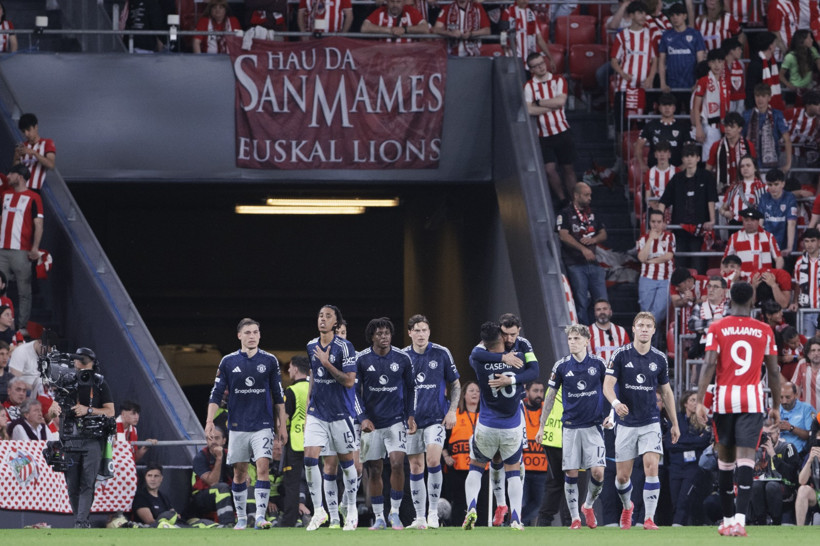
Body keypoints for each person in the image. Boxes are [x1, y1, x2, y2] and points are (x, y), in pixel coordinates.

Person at [695, 281, 782, 537]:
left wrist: (701, 400)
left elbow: (709, 364)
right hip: (753, 400)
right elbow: (774, 372)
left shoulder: (717, 326)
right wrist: (775, 405)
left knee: (725, 462)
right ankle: (740, 522)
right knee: (746, 459)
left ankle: (727, 519)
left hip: (724, 400)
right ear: (752, 300)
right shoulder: (764, 329)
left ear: (729, 299)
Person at [204, 318, 287, 530]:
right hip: (238, 426)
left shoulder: (269, 361)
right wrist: (209, 421)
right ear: (239, 336)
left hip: (263, 425)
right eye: (248, 332)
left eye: (255, 332)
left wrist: (282, 426)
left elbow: (278, 396)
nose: (252, 336)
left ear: (260, 335)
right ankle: (241, 518)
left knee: (263, 468)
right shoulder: (228, 362)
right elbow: (215, 394)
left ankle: (260, 517)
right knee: (240, 473)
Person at [604, 312, 680, 530]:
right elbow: (607, 385)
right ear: (634, 330)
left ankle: (648, 518)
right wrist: (616, 403)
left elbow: (666, 393)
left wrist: (674, 423)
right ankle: (628, 508)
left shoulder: (659, 359)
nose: (645, 329)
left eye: (649, 325)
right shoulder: (620, 355)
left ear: (654, 330)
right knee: (622, 477)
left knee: (651, 467)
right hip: (626, 422)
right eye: (641, 325)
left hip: (650, 421)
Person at [461, 321, 537, 531]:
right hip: (512, 426)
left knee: (476, 468)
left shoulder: (479, 361)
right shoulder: (519, 359)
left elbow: (475, 353)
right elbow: (534, 371)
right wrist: (508, 365)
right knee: (513, 471)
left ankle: (471, 507)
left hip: (486, 425)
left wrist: (495, 352)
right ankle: (515, 517)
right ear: (503, 338)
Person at [536, 323, 607, 530]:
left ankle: (588, 506)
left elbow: (611, 389)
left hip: (593, 427)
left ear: (587, 341)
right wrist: (541, 426)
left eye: (577, 339)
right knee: (571, 473)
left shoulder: (599, 364)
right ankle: (575, 518)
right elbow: (549, 397)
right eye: (570, 339)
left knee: (598, 473)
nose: (572, 342)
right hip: (569, 427)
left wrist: (612, 413)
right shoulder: (561, 366)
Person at [356, 317, 416, 531]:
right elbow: (353, 392)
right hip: (371, 424)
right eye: (379, 334)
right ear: (372, 336)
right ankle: (379, 517)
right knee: (374, 470)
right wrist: (362, 417)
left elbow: (411, 389)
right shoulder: (361, 359)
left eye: (387, 333)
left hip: (396, 421)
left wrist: (410, 415)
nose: (384, 337)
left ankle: (395, 514)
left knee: (398, 463)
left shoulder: (402, 358)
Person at [303, 305, 359, 532]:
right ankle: (319, 510)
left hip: (340, 413)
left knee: (347, 464)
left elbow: (349, 381)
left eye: (328, 316)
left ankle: (352, 509)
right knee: (309, 459)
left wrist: (327, 363)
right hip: (317, 412)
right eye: (320, 316)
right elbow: (314, 378)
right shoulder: (310, 345)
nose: (322, 320)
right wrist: (308, 409)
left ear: (336, 323)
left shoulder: (345, 347)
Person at [403, 314, 460, 529]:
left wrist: (452, 411)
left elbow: (455, 384)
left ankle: (433, 513)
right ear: (410, 333)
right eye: (416, 330)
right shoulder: (402, 357)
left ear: (429, 332)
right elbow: (399, 391)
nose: (421, 334)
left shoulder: (441, 353)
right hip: (412, 421)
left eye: (424, 330)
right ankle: (419, 517)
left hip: (436, 418)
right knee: (416, 466)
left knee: (434, 461)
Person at [63, 347, 115, 528]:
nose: (81, 363)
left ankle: (80, 521)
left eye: (84, 360)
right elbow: (53, 413)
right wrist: (55, 412)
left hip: (93, 438)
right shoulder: (67, 382)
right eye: (79, 360)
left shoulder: (100, 383)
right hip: (71, 438)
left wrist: (89, 410)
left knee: (87, 481)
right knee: (72, 484)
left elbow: (110, 412)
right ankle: (80, 521)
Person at [525, 52, 576, 208]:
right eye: (536, 66)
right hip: (543, 136)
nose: (540, 67)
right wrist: (550, 106)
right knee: (549, 170)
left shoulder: (558, 80)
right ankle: (562, 199)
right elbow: (529, 111)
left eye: (542, 63)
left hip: (562, 132)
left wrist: (538, 102)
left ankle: (575, 201)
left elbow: (560, 102)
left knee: (568, 168)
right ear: (531, 69)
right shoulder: (528, 86)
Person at [658, 143, 718, 273]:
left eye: (692, 156)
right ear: (682, 159)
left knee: (698, 267)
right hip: (679, 231)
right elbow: (663, 202)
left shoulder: (706, 177)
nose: (689, 159)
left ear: (698, 158)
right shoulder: (676, 178)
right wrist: (659, 220)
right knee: (679, 267)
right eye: (686, 156)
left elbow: (711, 200)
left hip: (699, 231)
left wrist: (712, 221)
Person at [557, 182, 608, 326]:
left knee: (602, 300)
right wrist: (583, 249)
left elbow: (603, 234)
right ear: (576, 195)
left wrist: (593, 239)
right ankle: (584, 335)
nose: (589, 198)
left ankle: (602, 333)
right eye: (586, 195)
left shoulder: (593, 213)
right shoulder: (565, 213)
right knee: (581, 301)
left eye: (590, 194)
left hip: (594, 264)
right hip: (575, 264)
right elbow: (563, 235)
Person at [0, 164, 42, 335]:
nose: (8, 176)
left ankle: (22, 327)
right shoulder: (5, 195)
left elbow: (38, 224)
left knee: (24, 289)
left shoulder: (33, 198)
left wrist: (35, 247)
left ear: (20, 176)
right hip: (2, 249)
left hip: (22, 250)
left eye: (12, 173)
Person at [610, 2, 657, 134]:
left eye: (645, 13)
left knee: (643, 127)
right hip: (624, 88)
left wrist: (650, 78)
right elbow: (614, 60)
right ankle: (621, 154)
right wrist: (622, 73)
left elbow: (655, 60)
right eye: (640, 13)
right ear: (631, 15)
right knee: (623, 128)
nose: (643, 16)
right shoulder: (622, 36)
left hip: (643, 87)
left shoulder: (650, 35)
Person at [666, 390, 711, 526]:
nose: (695, 403)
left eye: (698, 400)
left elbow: (705, 441)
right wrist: (695, 440)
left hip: (692, 467)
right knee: (674, 500)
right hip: (675, 466)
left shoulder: (703, 420)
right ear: (685, 403)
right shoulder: (675, 420)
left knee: (683, 500)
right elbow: (669, 444)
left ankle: (677, 525)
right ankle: (679, 526)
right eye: (692, 400)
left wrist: (681, 441)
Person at [442, 381, 480, 526]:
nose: (475, 393)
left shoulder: (485, 416)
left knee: (480, 502)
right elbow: (442, 439)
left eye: (477, 391)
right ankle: (458, 526)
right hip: (457, 468)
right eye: (471, 390)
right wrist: (445, 456)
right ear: (463, 395)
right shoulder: (454, 415)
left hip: (481, 468)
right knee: (459, 502)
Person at [749, 419, 800, 525]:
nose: (767, 437)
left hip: (784, 485)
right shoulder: (757, 450)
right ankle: (761, 521)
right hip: (762, 487)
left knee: (771, 486)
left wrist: (773, 455)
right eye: (764, 434)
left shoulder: (787, 447)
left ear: (778, 433)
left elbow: (792, 475)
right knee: (755, 485)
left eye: (770, 434)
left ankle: (776, 522)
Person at [279, 355, 309, 528]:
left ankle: (289, 521)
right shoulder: (315, 388)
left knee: (292, 483)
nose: (288, 370)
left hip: (296, 443)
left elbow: (286, 418)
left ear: (296, 368)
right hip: (315, 443)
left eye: (290, 367)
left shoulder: (291, 391)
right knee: (317, 482)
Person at [188, 424, 235, 527]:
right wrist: (219, 458)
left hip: (224, 492)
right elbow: (213, 482)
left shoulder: (231, 455)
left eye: (217, 438)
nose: (213, 441)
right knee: (221, 488)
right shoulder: (200, 457)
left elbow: (244, 477)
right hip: (202, 498)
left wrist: (245, 478)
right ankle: (227, 523)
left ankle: (251, 521)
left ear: (224, 440)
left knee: (247, 489)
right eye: (210, 438)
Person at [637, 209, 675, 329]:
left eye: (659, 222)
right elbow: (642, 258)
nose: (656, 225)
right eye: (653, 221)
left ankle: (645, 339)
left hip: (666, 279)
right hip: (647, 278)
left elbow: (668, 256)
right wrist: (650, 239)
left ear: (663, 223)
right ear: (649, 223)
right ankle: (650, 344)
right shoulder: (643, 239)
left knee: (659, 312)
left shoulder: (669, 236)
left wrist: (651, 261)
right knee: (645, 313)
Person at [743, 83, 793, 173]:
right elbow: (740, 139)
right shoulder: (746, 115)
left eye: (763, 96)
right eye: (757, 96)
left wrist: (788, 164)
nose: (760, 99)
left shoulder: (777, 115)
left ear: (769, 98)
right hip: (750, 164)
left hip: (771, 165)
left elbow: (787, 140)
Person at [658, 3, 706, 96]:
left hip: (692, 85)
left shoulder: (695, 34)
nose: (675, 18)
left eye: (678, 15)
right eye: (672, 15)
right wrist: (663, 83)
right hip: (671, 86)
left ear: (685, 16)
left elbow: (701, 61)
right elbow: (661, 61)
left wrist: (698, 82)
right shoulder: (666, 36)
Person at [723, 207, 784, 279]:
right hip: (742, 280)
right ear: (743, 221)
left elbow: (779, 258)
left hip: (764, 280)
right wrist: (725, 275)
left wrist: (777, 274)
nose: (749, 223)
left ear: (758, 221)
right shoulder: (734, 237)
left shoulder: (769, 237)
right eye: (746, 220)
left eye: (752, 220)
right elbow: (725, 259)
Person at [706, 112, 756, 196]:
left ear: (740, 129)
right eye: (726, 126)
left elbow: (754, 169)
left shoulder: (749, 146)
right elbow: (708, 170)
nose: (727, 129)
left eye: (732, 127)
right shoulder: (716, 146)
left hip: (744, 192)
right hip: (721, 191)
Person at [692, 48, 728, 162]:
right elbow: (696, 107)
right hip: (709, 126)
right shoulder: (704, 81)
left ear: (724, 63)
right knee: (709, 161)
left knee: (722, 160)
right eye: (713, 62)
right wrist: (698, 127)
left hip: (723, 126)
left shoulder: (725, 81)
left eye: (720, 61)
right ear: (709, 64)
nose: (717, 65)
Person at [636, 94, 690, 170]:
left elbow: (691, 148)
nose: (667, 108)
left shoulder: (682, 127)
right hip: (654, 171)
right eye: (664, 105)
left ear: (674, 108)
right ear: (660, 108)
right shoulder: (650, 126)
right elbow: (638, 146)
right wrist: (642, 165)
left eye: (670, 105)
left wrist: (684, 165)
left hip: (677, 171)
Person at [500, 0, 556, 72]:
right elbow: (503, 34)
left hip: (529, 60)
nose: (524, 1)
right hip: (512, 58)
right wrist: (504, 48)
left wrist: (550, 58)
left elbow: (539, 39)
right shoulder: (508, 12)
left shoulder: (531, 14)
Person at [521, 380, 547, 526]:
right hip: (522, 468)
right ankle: (516, 522)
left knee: (539, 504)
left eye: (541, 391)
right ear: (527, 392)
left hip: (541, 468)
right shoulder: (519, 408)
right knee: (521, 503)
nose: (539, 394)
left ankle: (516, 521)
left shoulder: (546, 409)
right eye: (535, 391)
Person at [758, 168, 798, 260]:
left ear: (783, 184)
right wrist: (759, 243)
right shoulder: (764, 198)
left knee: (784, 274)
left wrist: (789, 248)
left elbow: (791, 223)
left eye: (776, 184)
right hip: (767, 247)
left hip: (785, 247)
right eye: (770, 185)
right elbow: (760, 222)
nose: (773, 188)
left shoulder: (790, 198)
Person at [688, 276, 729, 359]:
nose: (711, 289)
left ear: (724, 291)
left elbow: (728, 324)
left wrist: (703, 328)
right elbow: (691, 325)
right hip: (702, 348)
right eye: (709, 286)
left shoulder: (728, 305)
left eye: (716, 287)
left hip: (724, 346)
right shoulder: (699, 306)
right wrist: (713, 321)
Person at [784, 91, 820, 186]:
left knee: (804, 179)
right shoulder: (792, 113)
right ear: (808, 105)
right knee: (784, 177)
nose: (819, 106)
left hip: (805, 154)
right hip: (785, 150)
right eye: (816, 104)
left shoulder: (818, 120)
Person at [12, 114, 55, 191]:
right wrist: (16, 158)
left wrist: (34, 153)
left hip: (34, 189)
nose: (26, 134)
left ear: (36, 127)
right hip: (19, 188)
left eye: (28, 130)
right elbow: (15, 170)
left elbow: (51, 165)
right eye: (23, 131)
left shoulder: (47, 143)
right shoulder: (22, 146)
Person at [718, 155, 766, 223]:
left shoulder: (764, 188)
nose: (745, 168)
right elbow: (723, 208)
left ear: (755, 168)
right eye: (742, 166)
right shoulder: (733, 187)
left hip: (754, 225)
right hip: (735, 225)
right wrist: (725, 213)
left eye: (748, 165)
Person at [745, 33, 786, 112]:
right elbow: (750, 88)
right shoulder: (755, 64)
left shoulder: (771, 62)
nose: (776, 46)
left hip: (769, 104)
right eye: (775, 44)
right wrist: (751, 109)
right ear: (770, 46)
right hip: (757, 106)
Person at [792, 228, 820, 338]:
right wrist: (795, 302)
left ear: (819, 242)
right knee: (808, 344)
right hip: (806, 311)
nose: (809, 244)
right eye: (807, 241)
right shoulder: (799, 262)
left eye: (812, 241)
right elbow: (798, 285)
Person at [780, 30, 820, 102]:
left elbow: (818, 63)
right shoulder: (790, 56)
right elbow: (781, 75)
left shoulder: (813, 51)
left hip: (809, 90)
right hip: (794, 91)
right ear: (802, 40)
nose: (812, 40)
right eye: (809, 38)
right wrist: (789, 86)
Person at [360, 0, 428, 42]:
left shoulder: (410, 11)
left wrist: (405, 29)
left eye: (398, 1)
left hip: (407, 56)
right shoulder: (380, 11)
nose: (395, 5)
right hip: (384, 56)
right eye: (392, 1)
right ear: (387, 1)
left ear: (403, 2)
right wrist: (389, 30)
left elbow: (425, 28)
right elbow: (364, 27)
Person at [643, 141, 678, 221]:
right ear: (655, 155)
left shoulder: (676, 171)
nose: (662, 155)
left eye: (665, 152)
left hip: (673, 208)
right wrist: (654, 207)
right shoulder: (650, 172)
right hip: (655, 208)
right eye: (659, 152)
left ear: (669, 155)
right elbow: (647, 196)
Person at [588, 299, 631, 364]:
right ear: (595, 313)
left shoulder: (621, 331)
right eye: (598, 309)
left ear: (610, 312)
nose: (602, 312)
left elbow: (628, 354)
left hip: (617, 372)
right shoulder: (587, 332)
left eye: (605, 309)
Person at [794, 419, 820, 525]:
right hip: (817, 494)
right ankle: (800, 530)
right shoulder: (812, 453)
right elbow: (802, 480)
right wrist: (810, 461)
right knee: (803, 490)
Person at [779, 382, 815, 453]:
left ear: (796, 395)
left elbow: (812, 435)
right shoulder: (776, 409)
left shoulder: (806, 409)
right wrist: (774, 428)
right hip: (778, 453)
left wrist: (791, 428)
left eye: (788, 397)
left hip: (799, 454)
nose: (784, 401)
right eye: (781, 397)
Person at [792, 338, 820, 410]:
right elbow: (796, 388)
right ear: (808, 353)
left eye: (819, 350)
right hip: (807, 413)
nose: (816, 353)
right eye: (813, 350)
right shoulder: (802, 364)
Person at [723, 37, 746, 114]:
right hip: (724, 101)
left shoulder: (741, 64)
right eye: (739, 49)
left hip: (739, 100)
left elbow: (743, 83)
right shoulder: (720, 65)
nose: (741, 51)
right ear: (731, 51)